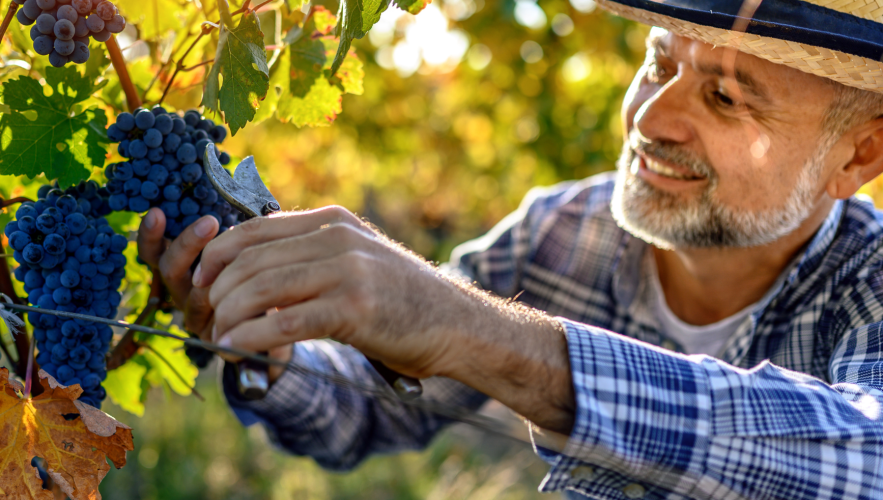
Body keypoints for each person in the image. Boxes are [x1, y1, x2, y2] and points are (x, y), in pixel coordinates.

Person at [136, 0, 883, 497]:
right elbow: (370, 412)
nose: (651, 116)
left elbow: (866, 461)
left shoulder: (870, 282)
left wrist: (477, 331)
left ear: (858, 156)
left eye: (724, 97)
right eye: (658, 64)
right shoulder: (560, 232)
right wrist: (275, 350)